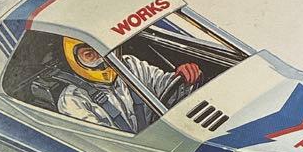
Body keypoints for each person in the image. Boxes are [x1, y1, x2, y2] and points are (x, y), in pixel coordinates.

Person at [56, 38, 202, 131]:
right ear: (74, 59)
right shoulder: (72, 99)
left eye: (105, 49)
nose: (103, 59)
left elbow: (163, 85)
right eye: (89, 55)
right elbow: (104, 143)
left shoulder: (130, 65)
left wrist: (185, 76)